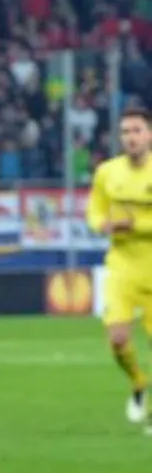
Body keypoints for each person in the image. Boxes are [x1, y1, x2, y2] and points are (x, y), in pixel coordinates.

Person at [86, 107, 152, 427]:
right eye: (125, 132)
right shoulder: (107, 173)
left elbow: (137, 224)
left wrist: (134, 225)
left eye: (137, 131)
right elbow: (95, 213)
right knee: (117, 339)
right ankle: (139, 382)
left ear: (149, 135)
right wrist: (105, 225)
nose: (131, 137)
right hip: (122, 266)